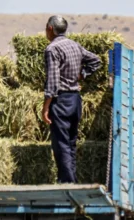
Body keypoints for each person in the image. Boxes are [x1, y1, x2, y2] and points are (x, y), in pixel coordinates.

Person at [41, 16, 102, 183]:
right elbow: (96, 61)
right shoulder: (74, 45)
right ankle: (71, 180)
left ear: (50, 29)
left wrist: (46, 107)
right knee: (71, 143)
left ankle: (67, 182)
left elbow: (52, 82)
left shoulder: (52, 49)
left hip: (60, 101)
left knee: (61, 144)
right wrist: (82, 75)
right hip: (75, 100)